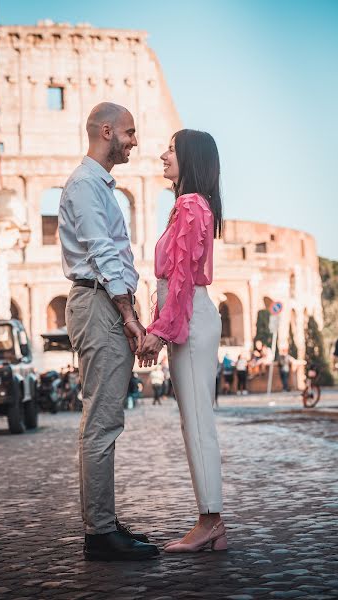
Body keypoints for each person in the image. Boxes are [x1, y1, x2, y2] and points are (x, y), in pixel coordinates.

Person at [59, 102, 159, 561]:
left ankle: (102, 520)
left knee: (105, 420)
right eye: (130, 132)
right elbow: (101, 252)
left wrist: (127, 307)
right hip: (99, 302)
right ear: (106, 131)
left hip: (104, 301)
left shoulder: (97, 185)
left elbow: (111, 255)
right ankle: (100, 535)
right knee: (100, 422)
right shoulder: (85, 184)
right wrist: (129, 315)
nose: (135, 141)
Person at [138, 129, 226, 553]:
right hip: (189, 314)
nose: (162, 155)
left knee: (198, 422)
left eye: (171, 149)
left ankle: (210, 521)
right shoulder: (188, 205)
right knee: (194, 419)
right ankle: (212, 523)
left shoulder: (191, 205)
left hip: (190, 313)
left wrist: (160, 331)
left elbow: (182, 279)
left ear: (190, 158)